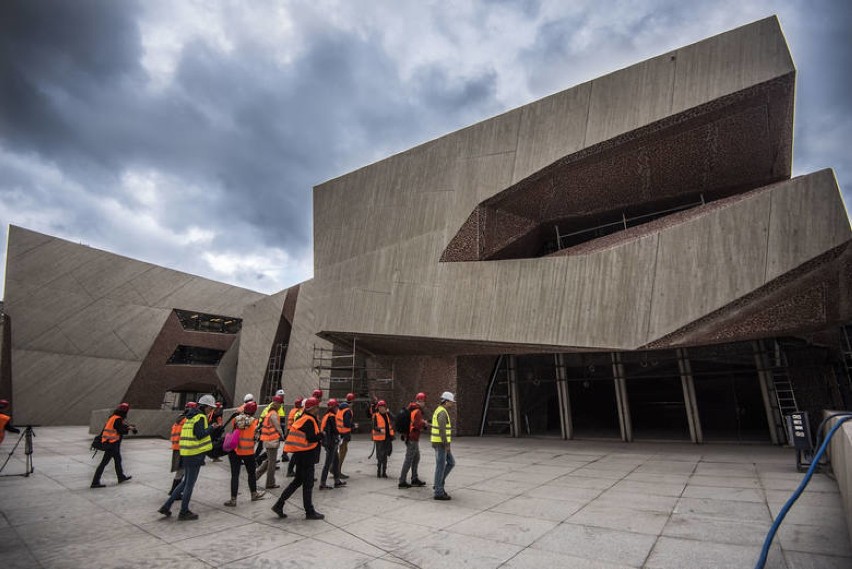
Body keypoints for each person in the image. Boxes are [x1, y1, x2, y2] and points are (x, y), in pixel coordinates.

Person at [158, 394, 223, 520]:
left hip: (187, 453)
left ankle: (166, 506)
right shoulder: (200, 417)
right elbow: (200, 434)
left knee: (184, 482)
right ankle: (184, 511)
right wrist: (212, 427)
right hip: (195, 454)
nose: (211, 410)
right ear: (204, 407)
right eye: (210, 408)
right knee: (189, 484)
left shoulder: (190, 417)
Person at [271, 396, 324, 520]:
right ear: (314, 408)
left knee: (297, 482)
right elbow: (311, 438)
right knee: (308, 484)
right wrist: (321, 435)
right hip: (307, 456)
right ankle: (309, 511)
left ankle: (279, 504)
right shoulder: (309, 420)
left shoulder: (303, 418)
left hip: (301, 455)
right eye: (317, 407)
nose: (318, 409)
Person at [224, 401, 266, 506]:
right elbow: (256, 438)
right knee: (251, 474)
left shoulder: (236, 419)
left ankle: (233, 500)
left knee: (235, 475)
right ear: (254, 411)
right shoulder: (255, 422)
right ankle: (254, 494)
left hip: (235, 451)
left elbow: (232, 432)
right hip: (248, 452)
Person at [91, 402, 137, 488]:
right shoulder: (118, 419)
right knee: (104, 463)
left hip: (110, 443)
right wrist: (128, 428)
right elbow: (120, 430)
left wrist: (127, 426)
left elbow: (116, 427)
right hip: (112, 444)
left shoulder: (113, 417)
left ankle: (121, 477)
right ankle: (95, 482)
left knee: (118, 460)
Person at [399, 392, 428, 489]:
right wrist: (424, 424)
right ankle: (402, 481)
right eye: (424, 401)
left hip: (410, 437)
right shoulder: (417, 411)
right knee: (409, 459)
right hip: (413, 438)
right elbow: (417, 425)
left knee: (416, 457)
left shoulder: (411, 408)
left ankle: (414, 478)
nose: (424, 403)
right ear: (421, 401)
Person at [255, 395, 285, 488]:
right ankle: (270, 483)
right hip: (272, 441)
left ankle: (254, 477)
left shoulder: (269, 413)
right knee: (272, 463)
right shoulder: (274, 414)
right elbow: (278, 427)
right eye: (280, 404)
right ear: (277, 404)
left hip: (267, 441)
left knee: (269, 461)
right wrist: (282, 436)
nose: (281, 406)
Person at [168, 402, 196, 496]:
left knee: (181, 470)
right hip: (182, 448)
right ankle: (174, 492)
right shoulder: (187, 420)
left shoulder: (179, 419)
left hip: (177, 447)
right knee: (181, 471)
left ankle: (174, 491)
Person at [431, 391, 456, 500]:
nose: (452, 404)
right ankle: (438, 492)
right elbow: (442, 430)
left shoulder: (440, 410)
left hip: (440, 443)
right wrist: (446, 445)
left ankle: (438, 484)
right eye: (451, 402)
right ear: (446, 401)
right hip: (441, 444)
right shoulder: (442, 412)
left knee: (451, 462)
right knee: (440, 467)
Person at [318, 398, 345, 490]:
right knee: (328, 463)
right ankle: (323, 483)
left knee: (336, 461)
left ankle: (337, 481)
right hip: (331, 443)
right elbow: (334, 430)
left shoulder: (327, 415)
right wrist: (342, 433)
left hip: (328, 442)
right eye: (337, 407)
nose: (338, 409)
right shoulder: (331, 417)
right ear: (334, 407)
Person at [372, 400, 395, 478]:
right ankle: (379, 471)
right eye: (380, 407)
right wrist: (379, 429)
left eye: (383, 407)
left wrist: (389, 412)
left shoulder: (387, 414)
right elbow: (374, 426)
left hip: (387, 438)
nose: (381, 409)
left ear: (385, 407)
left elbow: (395, 418)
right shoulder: (376, 415)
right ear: (378, 408)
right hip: (379, 438)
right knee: (380, 455)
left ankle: (384, 472)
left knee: (385, 455)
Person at [335, 393, 356, 478]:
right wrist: (353, 425)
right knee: (343, 452)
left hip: (339, 433)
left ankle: (334, 469)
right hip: (344, 434)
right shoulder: (347, 410)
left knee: (340, 451)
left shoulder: (340, 409)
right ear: (353, 401)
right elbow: (346, 423)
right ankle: (337, 471)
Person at [285, 398, 303, 477]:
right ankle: (290, 471)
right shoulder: (298, 412)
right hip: (294, 432)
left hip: (290, 429)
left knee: (294, 452)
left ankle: (284, 455)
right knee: (296, 453)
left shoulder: (293, 410)